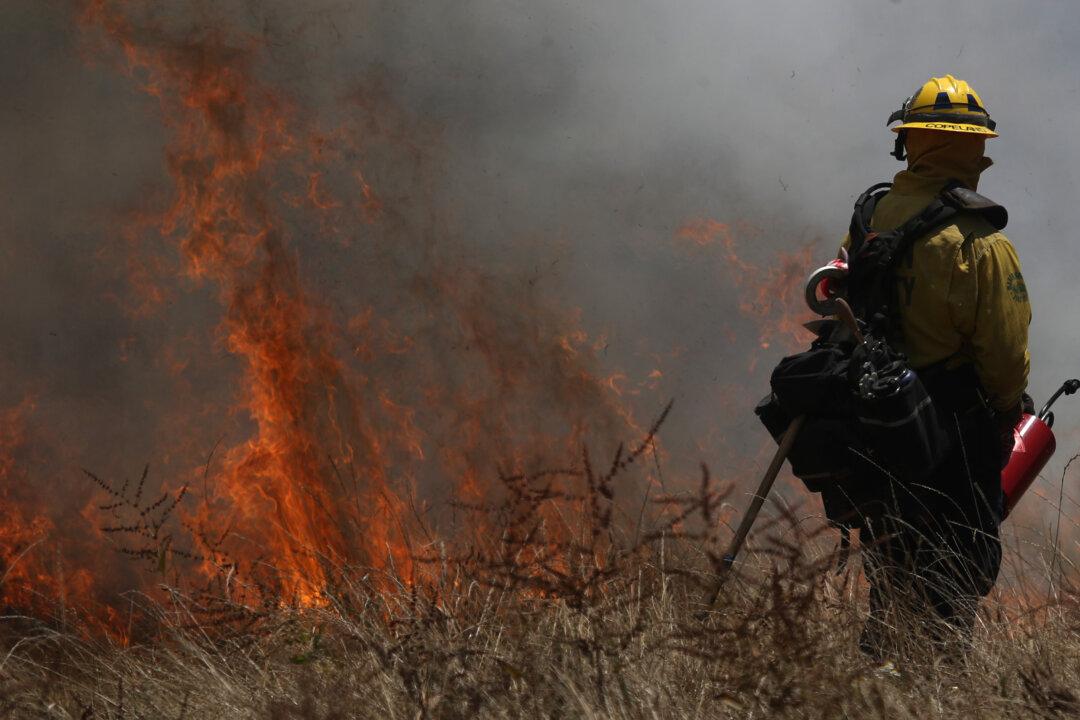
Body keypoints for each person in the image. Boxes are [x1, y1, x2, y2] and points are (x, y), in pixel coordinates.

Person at [844, 75, 1032, 659]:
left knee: (892, 562)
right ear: (978, 148)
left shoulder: (873, 215)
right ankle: (937, 684)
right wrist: (1006, 416)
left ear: (910, 143)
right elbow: (1003, 352)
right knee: (955, 571)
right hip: (953, 431)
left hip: (878, 423)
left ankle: (875, 678)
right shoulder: (980, 240)